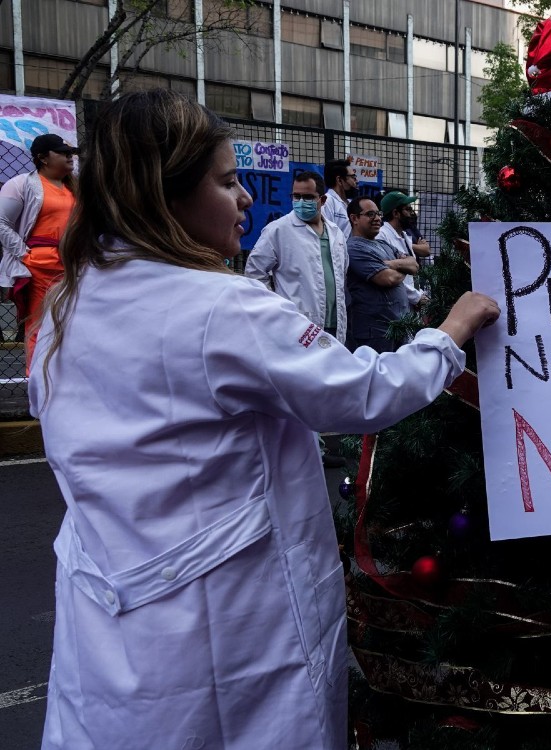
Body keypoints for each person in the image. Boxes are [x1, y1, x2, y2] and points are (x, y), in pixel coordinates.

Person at [29, 89, 499, 750]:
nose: (247, 197)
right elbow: (362, 393)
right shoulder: (221, 308)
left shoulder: (68, 304)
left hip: (112, 608)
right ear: (166, 197)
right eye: (226, 183)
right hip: (229, 619)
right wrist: (450, 334)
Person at [0, 133, 77, 366]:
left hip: (73, 265)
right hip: (40, 267)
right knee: (40, 326)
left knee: (72, 326)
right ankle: (37, 380)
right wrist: (26, 255)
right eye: (62, 152)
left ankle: (64, 378)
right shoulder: (21, 184)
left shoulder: (75, 187)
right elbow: (1, 223)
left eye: (70, 152)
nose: (70, 156)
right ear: (43, 158)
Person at [246, 170, 349, 344]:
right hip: (297, 324)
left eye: (308, 197)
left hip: (335, 324)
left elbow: (342, 273)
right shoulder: (278, 230)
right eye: (296, 196)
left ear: (322, 200)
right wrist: (276, 309)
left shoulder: (336, 232)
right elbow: (254, 273)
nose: (301, 202)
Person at [346, 196, 422, 352]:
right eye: (370, 214)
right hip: (376, 333)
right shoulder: (353, 248)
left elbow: (414, 265)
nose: (377, 218)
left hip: (399, 328)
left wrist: (393, 264)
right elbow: (387, 278)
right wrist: (403, 268)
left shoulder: (382, 244)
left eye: (378, 213)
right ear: (354, 218)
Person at [377, 190, 427, 308]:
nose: (412, 213)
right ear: (396, 213)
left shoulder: (404, 235)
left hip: (410, 304)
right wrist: (417, 297)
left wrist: (419, 295)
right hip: (396, 305)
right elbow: (388, 275)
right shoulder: (382, 236)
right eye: (408, 209)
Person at [320, 158, 356, 239]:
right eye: (353, 177)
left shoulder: (351, 203)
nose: (356, 181)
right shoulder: (327, 202)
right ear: (339, 180)